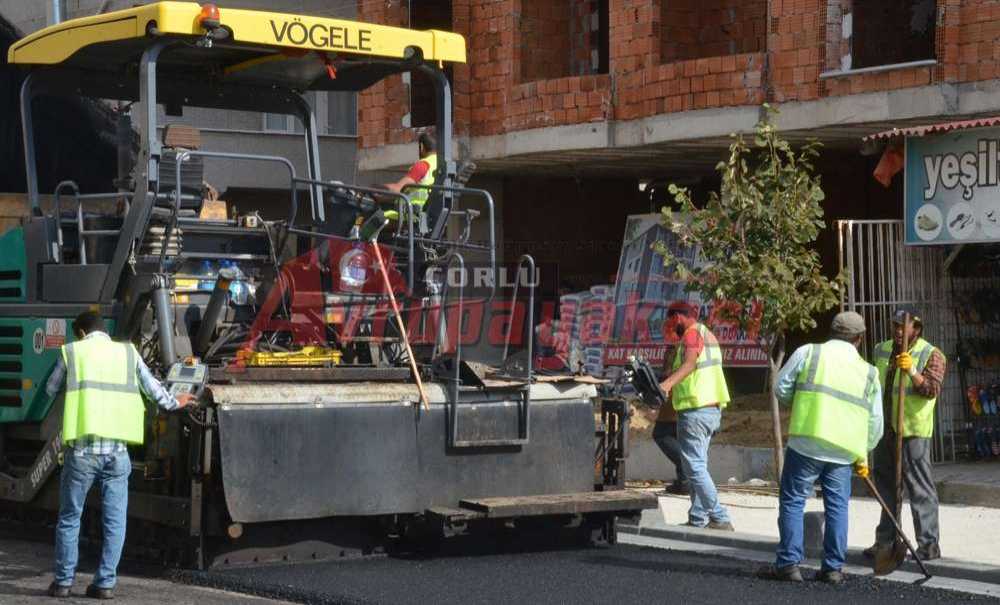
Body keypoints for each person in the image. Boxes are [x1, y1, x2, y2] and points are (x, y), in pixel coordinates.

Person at [44, 311, 193, 599]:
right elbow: (155, 392)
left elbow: (51, 389)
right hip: (117, 454)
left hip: (83, 452)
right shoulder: (128, 354)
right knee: (115, 520)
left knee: (70, 517)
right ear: (104, 331)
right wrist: (178, 401)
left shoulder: (73, 352)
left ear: (82, 333)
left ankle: (63, 583)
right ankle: (105, 584)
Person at [757, 311, 883, 584]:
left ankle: (789, 564)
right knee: (837, 507)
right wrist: (863, 452)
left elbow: (780, 387)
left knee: (793, 500)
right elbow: (875, 421)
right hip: (843, 451)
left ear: (833, 332)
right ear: (859, 339)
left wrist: (800, 402)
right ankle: (833, 569)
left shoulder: (808, 353)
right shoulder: (870, 373)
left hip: (806, 442)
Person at [864, 306, 946, 562]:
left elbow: (931, 389)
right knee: (887, 488)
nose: (899, 331)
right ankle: (886, 541)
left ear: (916, 329)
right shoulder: (881, 349)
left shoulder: (931, 354)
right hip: (886, 430)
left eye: (904, 326)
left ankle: (929, 545)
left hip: (913, 431)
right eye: (896, 326)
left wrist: (912, 372)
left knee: (920, 489)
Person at [658, 301, 732, 530]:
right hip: (710, 408)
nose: (670, 326)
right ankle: (698, 518)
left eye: (670, 320)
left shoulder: (691, 334)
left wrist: (666, 385)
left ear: (678, 317)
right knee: (698, 465)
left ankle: (720, 517)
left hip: (696, 409)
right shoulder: (706, 334)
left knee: (694, 468)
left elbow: (690, 364)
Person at [381, 132, 437, 220]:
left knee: (377, 218)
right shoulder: (441, 165)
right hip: (427, 215)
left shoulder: (423, 165)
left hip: (411, 216)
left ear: (421, 147)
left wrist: (374, 189)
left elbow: (396, 189)